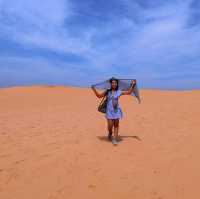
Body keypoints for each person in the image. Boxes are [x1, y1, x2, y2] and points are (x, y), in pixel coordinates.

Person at [91, 77, 136, 145]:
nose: (114, 84)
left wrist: (133, 84)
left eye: (115, 83)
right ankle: (110, 133)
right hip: (109, 111)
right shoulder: (108, 91)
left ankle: (114, 139)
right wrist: (94, 89)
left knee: (116, 125)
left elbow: (129, 92)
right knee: (110, 125)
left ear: (117, 84)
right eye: (112, 83)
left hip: (116, 111)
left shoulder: (119, 91)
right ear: (111, 84)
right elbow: (99, 96)